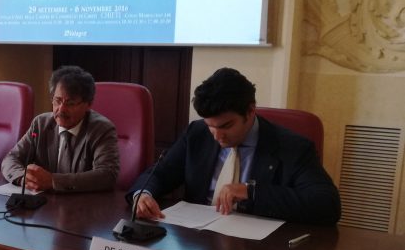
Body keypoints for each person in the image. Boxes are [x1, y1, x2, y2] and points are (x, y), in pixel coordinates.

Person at [128, 67, 341, 225]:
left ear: (250, 111)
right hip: (198, 242)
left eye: (226, 126)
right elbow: (160, 173)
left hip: (259, 249)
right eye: (210, 126)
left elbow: (326, 205)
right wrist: (143, 194)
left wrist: (252, 192)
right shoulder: (197, 134)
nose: (217, 136)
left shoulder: (291, 147)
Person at [1, 65, 120, 192]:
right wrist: (24, 178)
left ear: (88, 104)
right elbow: (11, 158)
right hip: (43, 200)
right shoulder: (40, 124)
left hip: (83, 202)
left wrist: (53, 181)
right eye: (57, 101)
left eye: (70, 103)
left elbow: (107, 175)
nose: (61, 109)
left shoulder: (101, 129)